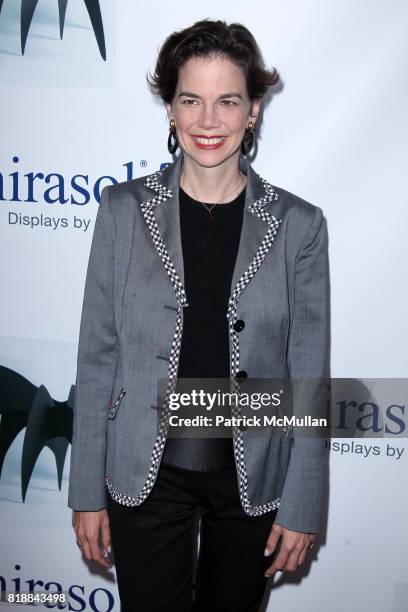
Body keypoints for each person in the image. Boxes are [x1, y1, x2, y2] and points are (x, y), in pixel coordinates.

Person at [68, 18, 330, 612]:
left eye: (227, 100)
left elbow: (308, 377)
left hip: (253, 475)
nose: (208, 121)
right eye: (191, 99)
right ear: (170, 109)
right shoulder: (121, 210)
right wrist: (85, 490)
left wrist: (303, 501)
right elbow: (97, 354)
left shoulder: (299, 227)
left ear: (254, 109)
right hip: (143, 469)